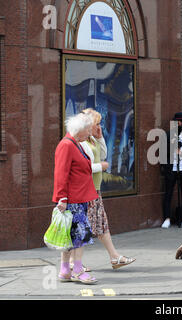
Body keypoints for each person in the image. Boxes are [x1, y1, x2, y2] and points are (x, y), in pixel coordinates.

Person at [70, 108, 135, 270]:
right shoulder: (81, 142)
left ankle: (114, 257)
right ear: (88, 124)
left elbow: (104, 154)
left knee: (101, 224)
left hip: (94, 189)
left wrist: (100, 138)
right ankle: (73, 263)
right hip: (85, 190)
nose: (99, 126)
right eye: (96, 123)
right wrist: (101, 167)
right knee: (81, 227)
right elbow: (84, 167)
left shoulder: (91, 140)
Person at [53, 113, 98, 284]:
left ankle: (65, 270)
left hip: (77, 198)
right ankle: (77, 271)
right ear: (79, 130)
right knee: (79, 236)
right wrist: (61, 198)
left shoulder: (75, 143)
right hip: (73, 199)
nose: (89, 133)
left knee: (69, 236)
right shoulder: (67, 145)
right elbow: (60, 174)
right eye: (88, 130)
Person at [161, 112, 182, 228]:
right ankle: (167, 218)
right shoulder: (167, 135)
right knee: (168, 193)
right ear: (179, 123)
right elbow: (162, 154)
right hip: (171, 169)